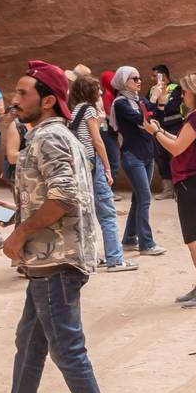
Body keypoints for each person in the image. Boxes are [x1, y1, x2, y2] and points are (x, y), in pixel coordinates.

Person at [0, 62, 114, 393]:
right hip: (50, 257)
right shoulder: (49, 136)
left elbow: (64, 199)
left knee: (66, 345)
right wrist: (12, 213)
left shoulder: (49, 138)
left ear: (48, 100)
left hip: (56, 260)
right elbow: (52, 197)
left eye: (23, 93)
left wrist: (19, 233)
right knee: (30, 340)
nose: (14, 100)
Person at [148, 73, 196, 309]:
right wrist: (161, 130)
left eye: (185, 91)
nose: (182, 95)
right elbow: (183, 141)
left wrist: (155, 133)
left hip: (191, 181)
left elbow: (176, 147)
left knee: (193, 239)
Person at [66, 74, 135, 273]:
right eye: (97, 89)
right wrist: (106, 167)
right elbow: (97, 141)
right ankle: (115, 258)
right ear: (90, 92)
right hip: (92, 163)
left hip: (80, 165)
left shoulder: (75, 109)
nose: (101, 92)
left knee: (86, 212)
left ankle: (91, 257)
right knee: (107, 212)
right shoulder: (89, 110)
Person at [110, 66, 163, 257]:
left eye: (139, 78)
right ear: (124, 82)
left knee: (138, 198)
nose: (139, 81)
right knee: (145, 198)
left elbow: (154, 113)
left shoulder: (138, 100)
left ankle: (130, 239)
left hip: (146, 153)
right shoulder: (121, 103)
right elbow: (141, 118)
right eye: (134, 78)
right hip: (133, 156)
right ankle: (146, 244)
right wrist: (154, 100)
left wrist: (156, 102)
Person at [150, 64, 186, 198]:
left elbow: (173, 107)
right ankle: (168, 189)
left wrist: (161, 100)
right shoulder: (152, 90)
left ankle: (180, 189)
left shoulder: (176, 88)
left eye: (155, 75)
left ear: (163, 76)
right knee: (161, 157)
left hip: (175, 127)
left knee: (177, 157)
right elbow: (150, 108)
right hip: (159, 128)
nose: (152, 78)